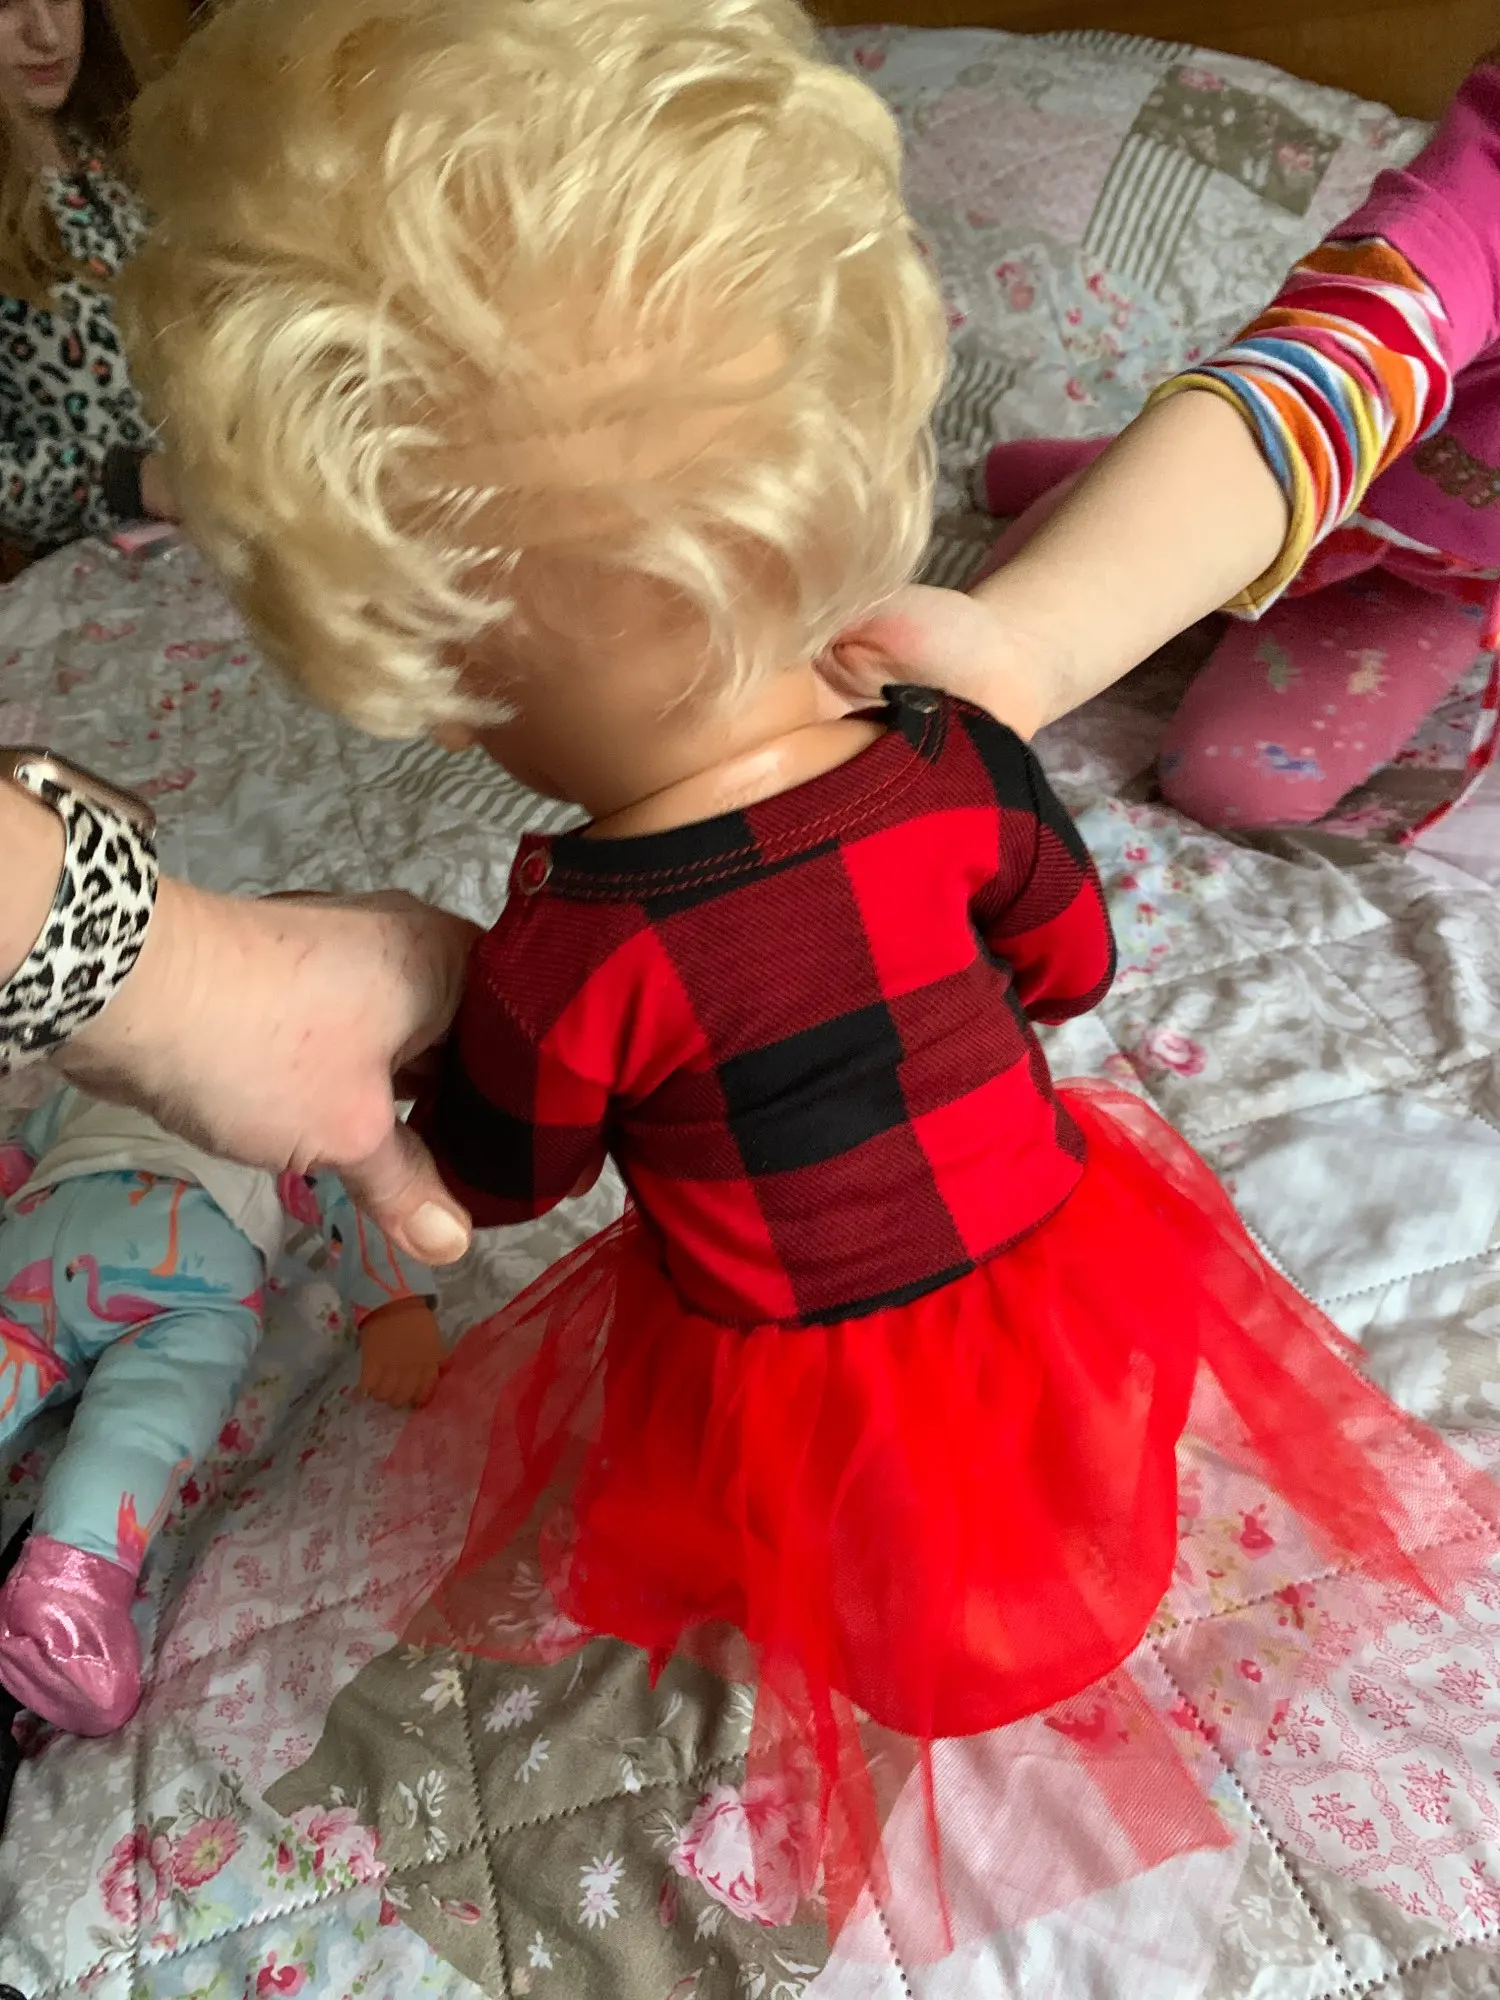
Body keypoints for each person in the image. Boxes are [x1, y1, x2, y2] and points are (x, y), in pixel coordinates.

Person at [116, 0, 1498, 1950]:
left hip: (795, 1370)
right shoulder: (956, 767)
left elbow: (507, 1172)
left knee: (767, 1479)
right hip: (1044, 1266)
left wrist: (447, 1058)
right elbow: (1068, 955)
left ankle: (902, 1607)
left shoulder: (571, 942)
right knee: (1072, 1407)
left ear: (444, 670)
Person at [830, 54, 1500, 836]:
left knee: (1233, 787)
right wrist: (1026, 646)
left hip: (1427, 577)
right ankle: (1132, 467)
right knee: (1011, 599)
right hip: (1353, 462)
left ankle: (1128, 469)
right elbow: (1352, 350)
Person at [0, 1082, 445, 1743]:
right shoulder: (282, 1091)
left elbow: (17, 1155)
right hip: (185, 1247)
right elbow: (352, 1186)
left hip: (35, 1239)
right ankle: (65, 1598)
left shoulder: (98, 1073)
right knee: (141, 1427)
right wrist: (394, 1301)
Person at [1, 771, 477, 1267]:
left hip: (132, 1265)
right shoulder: (93, 1087)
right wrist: (180, 968)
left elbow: (339, 1207)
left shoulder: (284, 1133)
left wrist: (175, 963)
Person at [0, 0, 173, 554]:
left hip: (230, 523)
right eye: (5, 6)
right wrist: (126, 481)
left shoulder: (120, 150)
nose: (47, 35)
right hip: (109, 572)